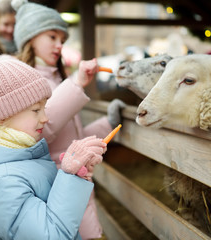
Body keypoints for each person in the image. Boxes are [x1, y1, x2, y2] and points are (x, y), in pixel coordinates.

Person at [0, 44, 107, 239]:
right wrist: (70, 177)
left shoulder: (16, 156)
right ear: (1, 116)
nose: (45, 118)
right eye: (36, 110)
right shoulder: (3, 182)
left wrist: (73, 175)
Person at [11, 0, 127, 239]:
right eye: (52, 37)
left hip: (73, 181)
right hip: (54, 187)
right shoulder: (22, 81)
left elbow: (70, 140)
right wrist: (76, 83)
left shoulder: (55, 79)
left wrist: (108, 122)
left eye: (62, 40)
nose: (58, 45)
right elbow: (41, 131)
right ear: (30, 37)